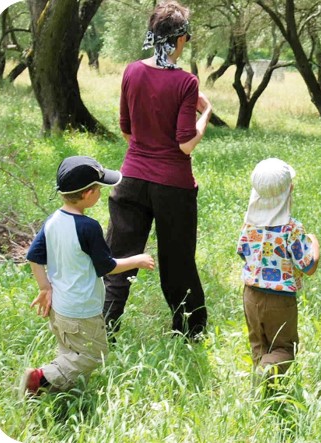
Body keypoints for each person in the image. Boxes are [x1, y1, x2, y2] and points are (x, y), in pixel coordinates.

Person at [103, 0, 212, 340]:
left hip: (130, 180)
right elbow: (185, 144)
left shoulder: (132, 71)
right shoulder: (186, 83)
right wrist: (206, 112)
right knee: (177, 262)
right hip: (173, 187)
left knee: (118, 260)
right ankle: (189, 333)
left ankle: (102, 327)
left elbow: (126, 129)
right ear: (179, 40)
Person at [20, 156, 155, 397]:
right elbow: (106, 267)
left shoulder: (52, 221)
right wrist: (137, 260)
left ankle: (48, 395)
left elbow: (33, 256)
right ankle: (41, 377)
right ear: (88, 194)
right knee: (94, 354)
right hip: (81, 310)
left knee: (69, 352)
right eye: (99, 189)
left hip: (59, 307)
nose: (101, 193)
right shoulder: (88, 227)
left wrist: (45, 288)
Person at [237, 158, 320, 376]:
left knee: (259, 345)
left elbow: (243, 253)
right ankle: (267, 374)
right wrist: (315, 243)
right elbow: (309, 266)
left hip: (250, 296)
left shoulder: (248, 225)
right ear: (290, 189)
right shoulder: (291, 229)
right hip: (279, 300)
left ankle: (264, 394)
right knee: (284, 347)